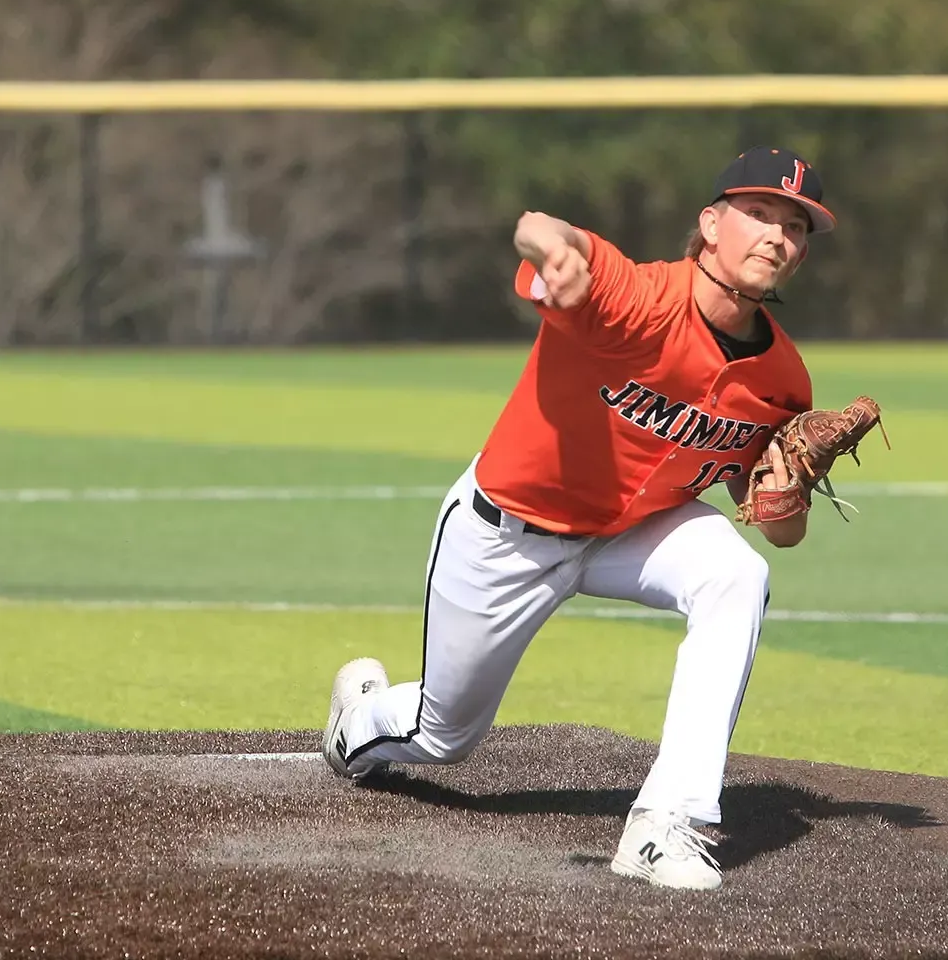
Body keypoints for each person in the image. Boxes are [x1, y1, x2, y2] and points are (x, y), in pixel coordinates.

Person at [323, 146, 833, 891]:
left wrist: (789, 500)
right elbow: (539, 226)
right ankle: (358, 722)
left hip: (633, 534)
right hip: (509, 534)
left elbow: (779, 532)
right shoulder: (635, 297)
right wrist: (555, 254)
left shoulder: (784, 380)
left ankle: (668, 824)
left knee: (736, 573)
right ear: (711, 222)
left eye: (796, 226)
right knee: (441, 735)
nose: (777, 236)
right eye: (760, 213)